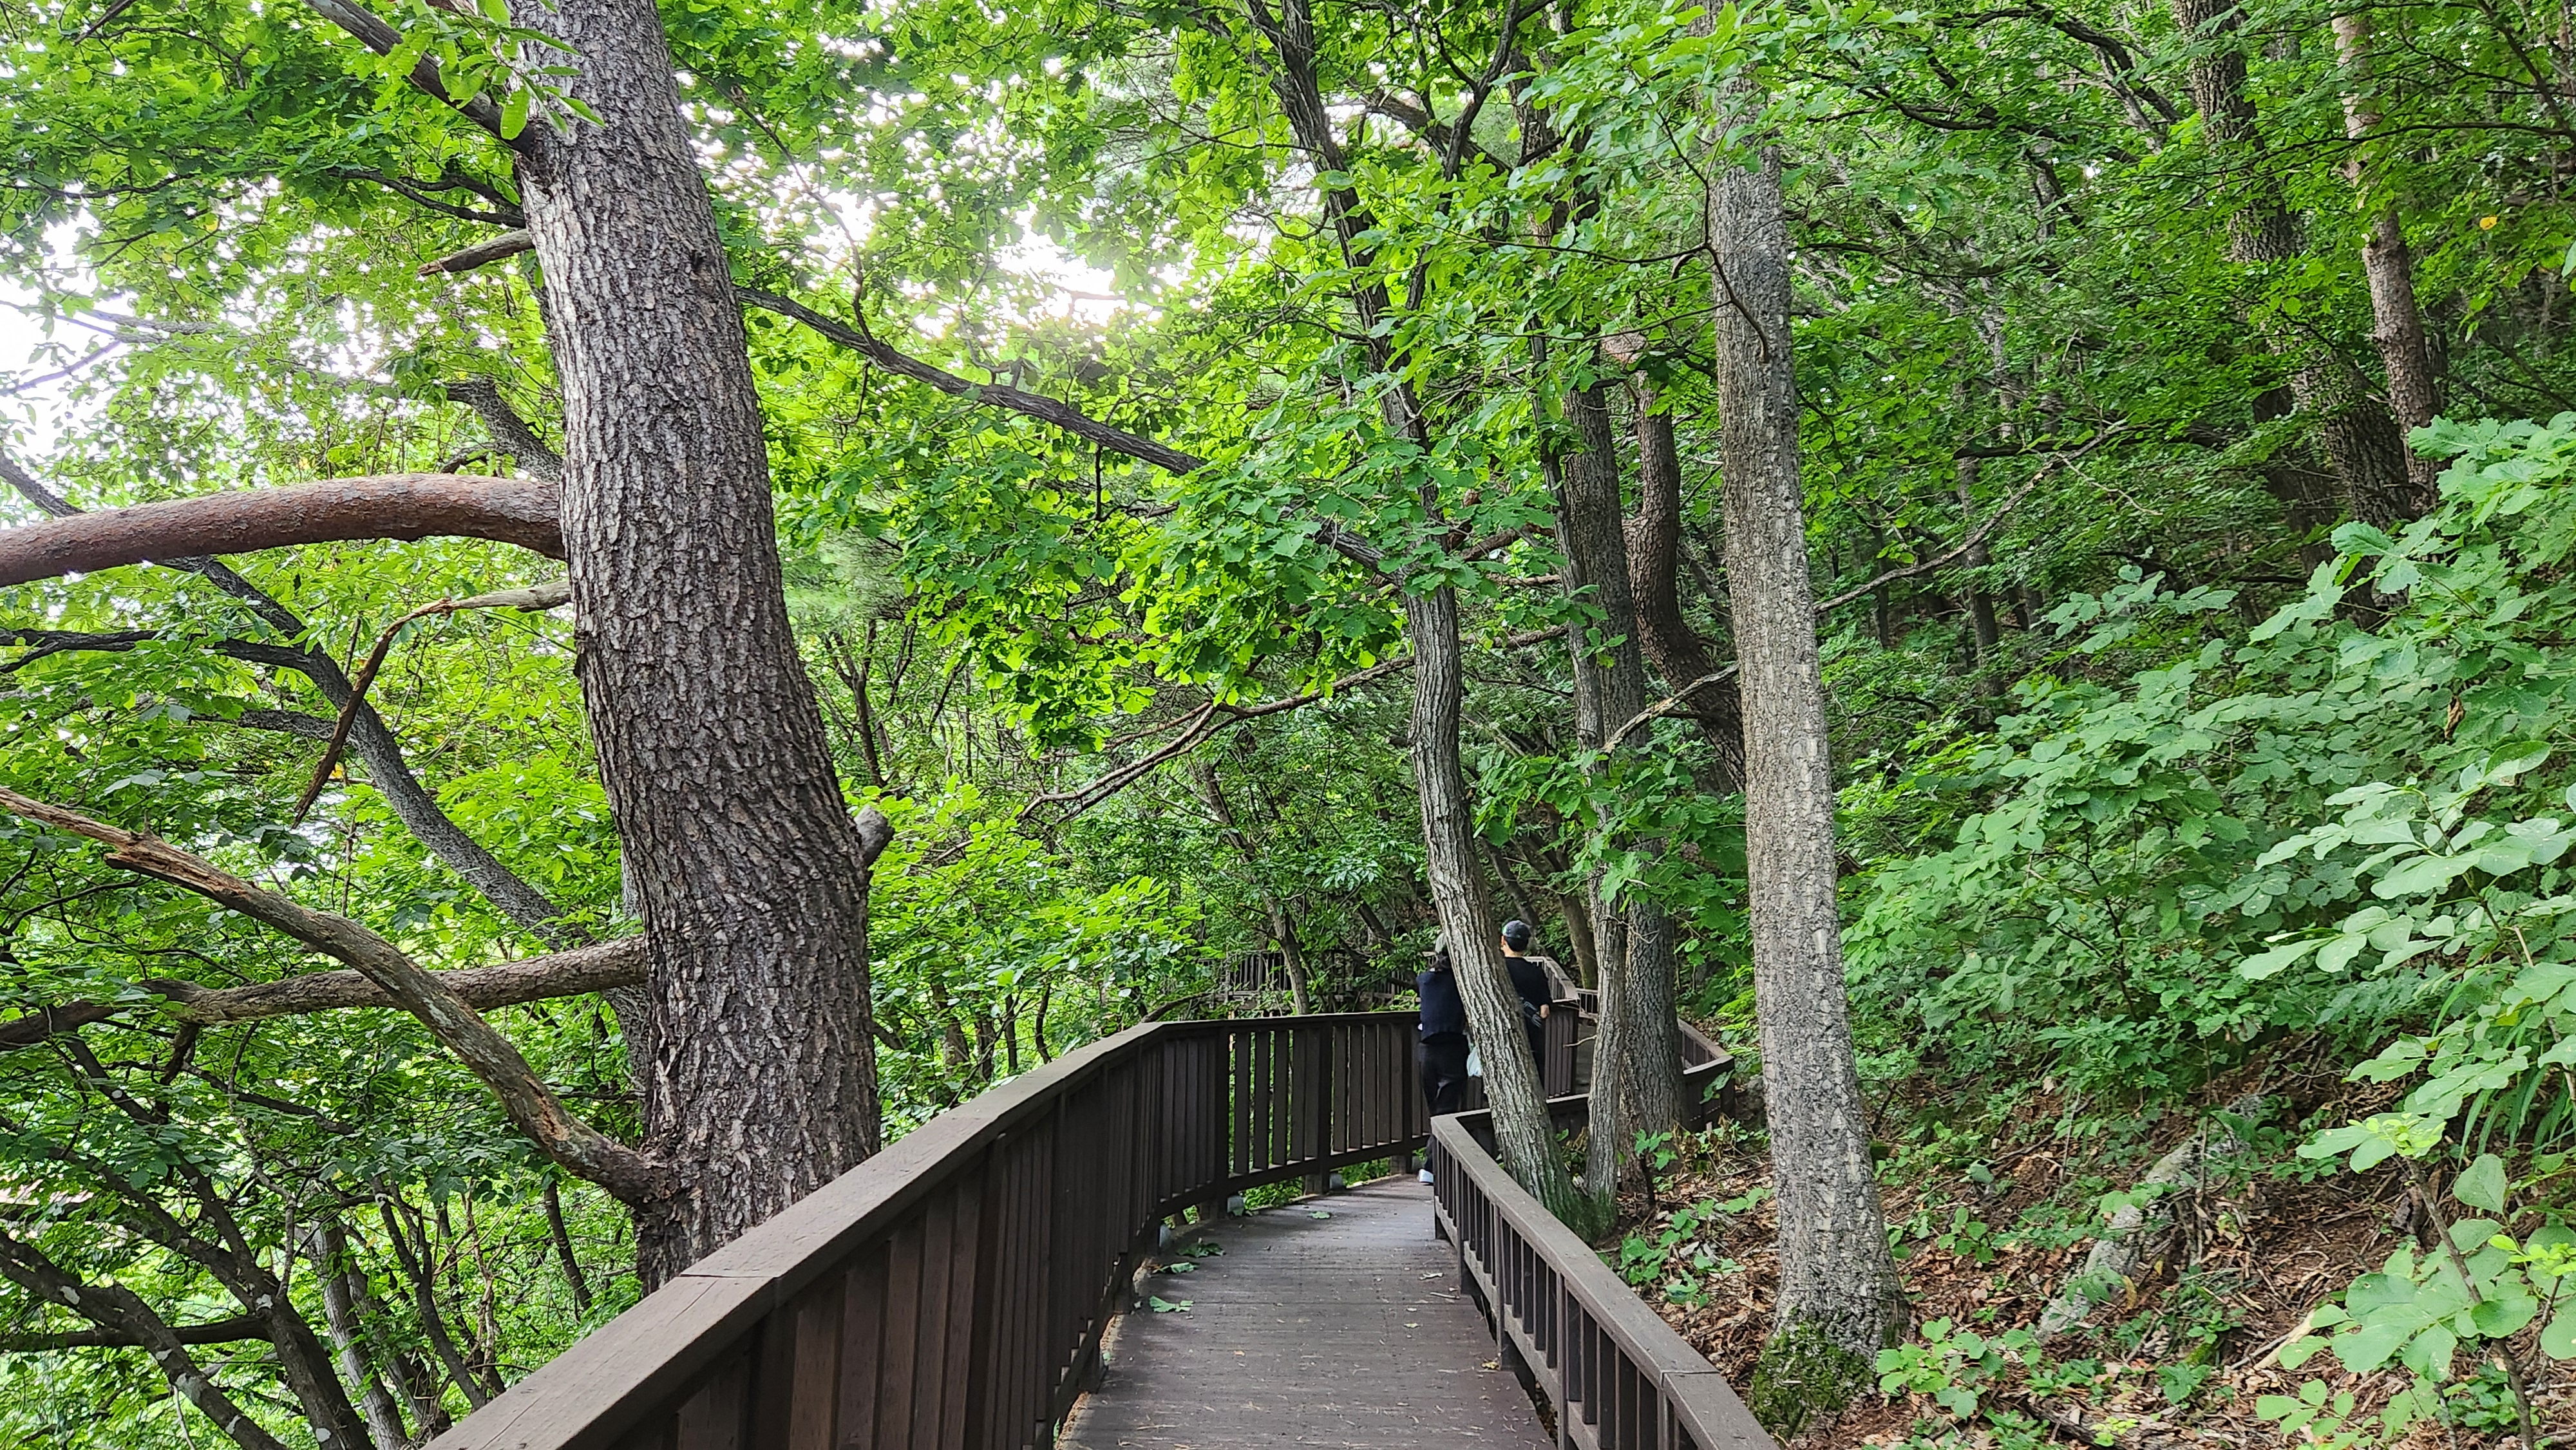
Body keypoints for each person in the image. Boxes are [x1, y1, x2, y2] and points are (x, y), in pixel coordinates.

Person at [1414, 945, 1469, 1182]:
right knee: (1446, 1112)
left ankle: (1436, 1164)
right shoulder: (1463, 984)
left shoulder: (1425, 980)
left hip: (1426, 1051)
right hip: (1453, 1049)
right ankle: (1431, 1167)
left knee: (1437, 1111)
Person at [1500, 919, 1562, 1088]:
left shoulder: (1497, 971)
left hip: (1504, 1038)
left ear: (1503, 940)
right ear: (1526, 945)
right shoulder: (1536, 972)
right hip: (1532, 1039)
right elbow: (1545, 1009)